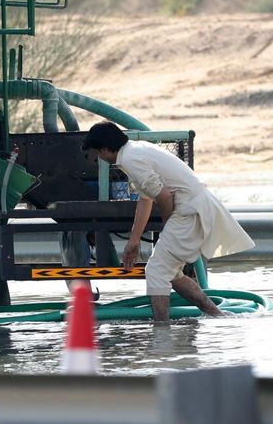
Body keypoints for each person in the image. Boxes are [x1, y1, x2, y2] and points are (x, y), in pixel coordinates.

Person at [81, 121, 254, 321]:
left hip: (189, 209)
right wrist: (134, 240)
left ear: (104, 149)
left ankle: (161, 330)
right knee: (170, 272)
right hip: (193, 205)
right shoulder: (135, 150)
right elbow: (146, 199)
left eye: (97, 153)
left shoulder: (130, 159)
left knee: (156, 270)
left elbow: (164, 197)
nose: (99, 158)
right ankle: (218, 315)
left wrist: (166, 226)